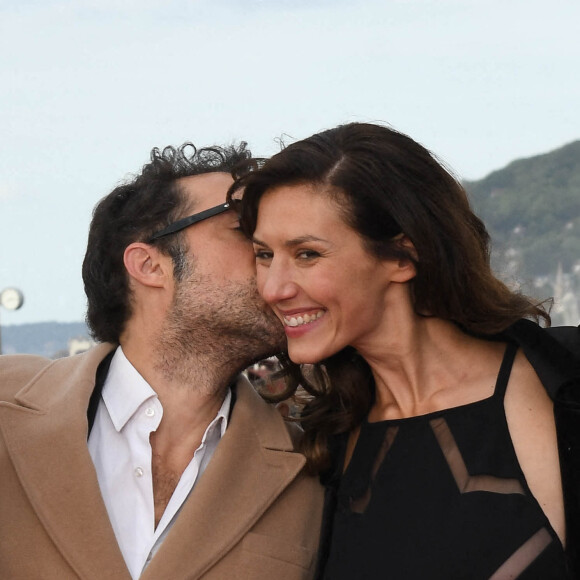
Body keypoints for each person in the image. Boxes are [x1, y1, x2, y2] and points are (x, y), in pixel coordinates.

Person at [228, 122, 580, 579]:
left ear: (402, 257)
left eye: (307, 254)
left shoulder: (562, 383)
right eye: (263, 255)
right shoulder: (321, 447)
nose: (273, 288)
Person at [0, 142, 324, 579]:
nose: (273, 255)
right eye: (245, 230)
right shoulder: (8, 410)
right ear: (150, 265)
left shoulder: (314, 469)